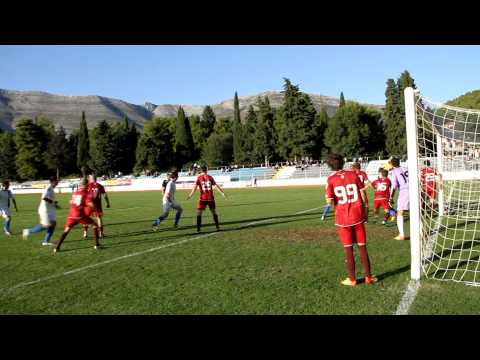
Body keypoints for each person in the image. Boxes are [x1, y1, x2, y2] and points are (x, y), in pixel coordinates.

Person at [325, 154, 373, 286]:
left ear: (330, 166)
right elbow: (363, 194)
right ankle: (368, 277)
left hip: (342, 218)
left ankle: (352, 279)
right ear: (343, 163)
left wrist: (331, 200)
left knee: (348, 249)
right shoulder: (354, 175)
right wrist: (365, 209)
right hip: (357, 215)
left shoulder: (331, 179)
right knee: (362, 247)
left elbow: (329, 201)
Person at [53, 178, 100, 253]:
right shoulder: (86, 193)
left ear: (80, 184)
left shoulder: (76, 192)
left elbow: (71, 201)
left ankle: (57, 247)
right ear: (87, 184)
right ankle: (96, 245)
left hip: (71, 215)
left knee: (67, 230)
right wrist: (95, 209)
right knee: (94, 225)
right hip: (79, 215)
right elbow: (90, 204)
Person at [187, 165, 226, 233]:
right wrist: (222, 193)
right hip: (210, 198)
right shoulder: (210, 177)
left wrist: (190, 195)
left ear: (201, 170)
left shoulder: (199, 178)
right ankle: (218, 227)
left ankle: (198, 229)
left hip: (203, 199)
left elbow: (195, 188)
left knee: (199, 213)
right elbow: (216, 186)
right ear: (207, 170)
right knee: (214, 212)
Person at [22, 177, 59, 245]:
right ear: (53, 181)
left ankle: (46, 241)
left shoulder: (51, 189)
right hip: (44, 210)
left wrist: (55, 204)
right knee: (46, 225)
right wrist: (53, 202)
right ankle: (28, 231)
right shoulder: (48, 188)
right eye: (57, 181)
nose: (58, 182)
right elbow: (44, 197)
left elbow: (49, 199)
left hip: (50, 210)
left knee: (53, 224)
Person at [83, 174, 110, 239]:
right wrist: (107, 203)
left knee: (86, 218)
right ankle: (101, 233)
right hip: (97, 205)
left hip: (89, 204)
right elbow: (105, 195)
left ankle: (85, 233)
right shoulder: (100, 186)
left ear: (91, 179)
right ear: (96, 179)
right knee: (99, 218)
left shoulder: (88, 185)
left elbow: (83, 194)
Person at [389, 157, 409, 240]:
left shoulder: (394, 171)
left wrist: (391, 197)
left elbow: (394, 185)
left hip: (405, 191)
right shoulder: (406, 168)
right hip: (414, 189)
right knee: (416, 212)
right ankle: (422, 233)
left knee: (400, 212)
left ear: (392, 164)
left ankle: (401, 235)